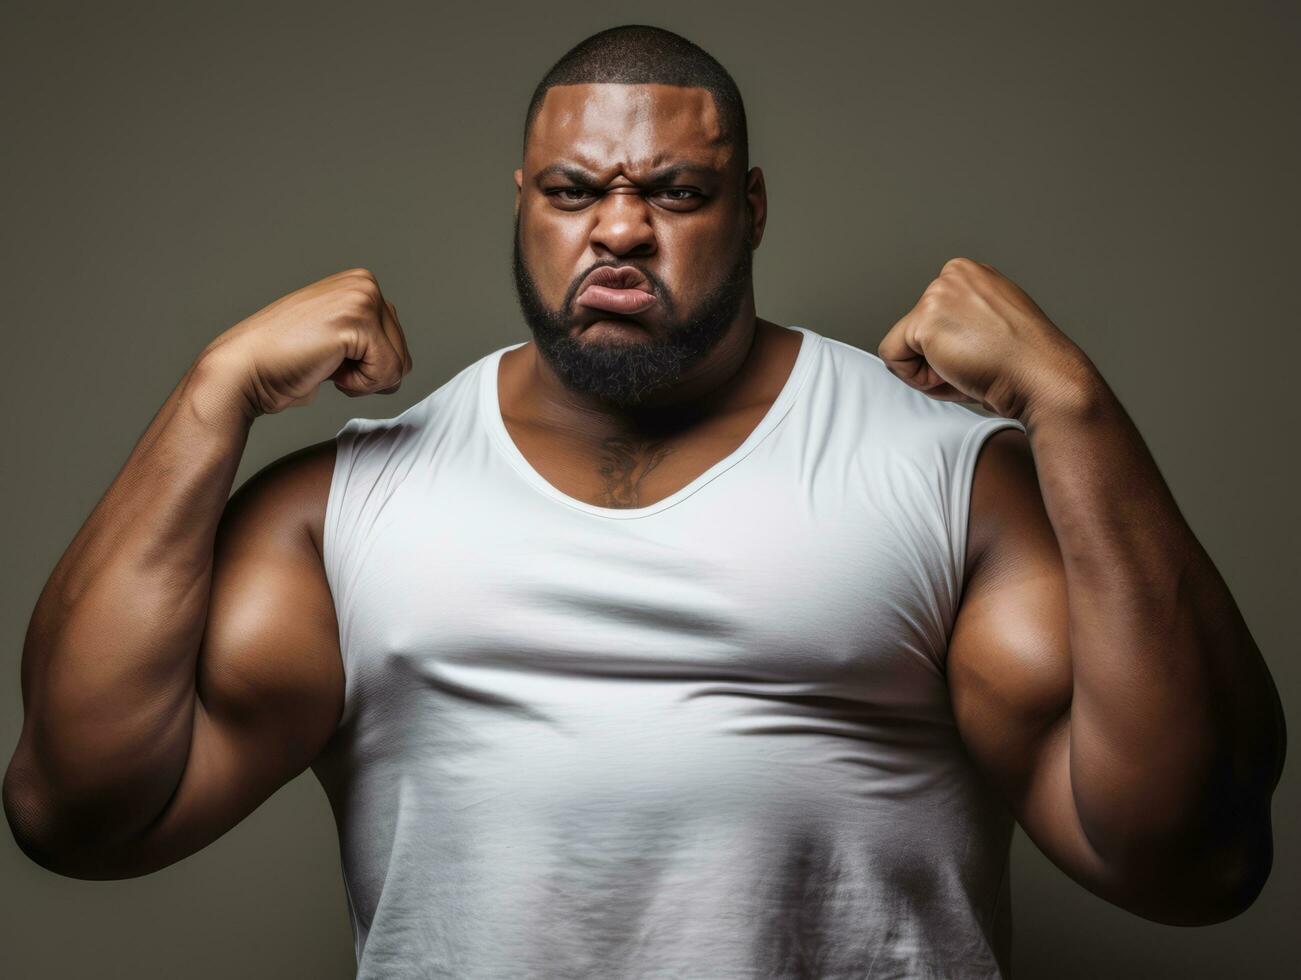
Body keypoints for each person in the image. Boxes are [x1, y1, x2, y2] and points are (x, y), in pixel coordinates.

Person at [4, 23, 1284, 980]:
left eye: (673, 191)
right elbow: (81, 805)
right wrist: (209, 392)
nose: (617, 230)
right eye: (573, 193)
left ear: (750, 207)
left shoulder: (939, 477)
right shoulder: (349, 503)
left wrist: (1074, 410)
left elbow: (1190, 854)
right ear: (524, 207)